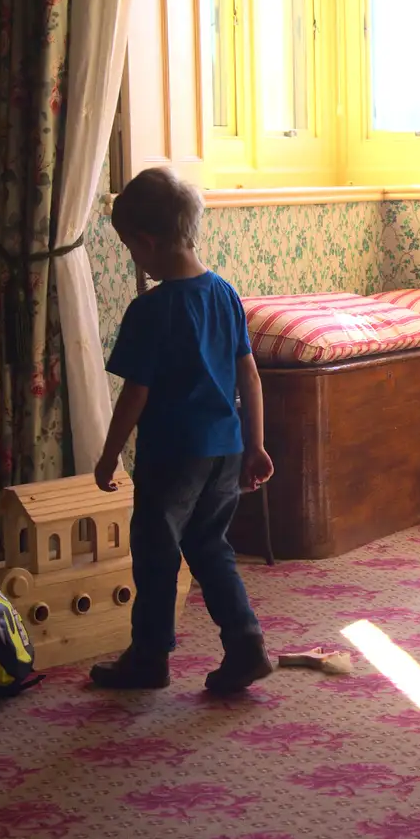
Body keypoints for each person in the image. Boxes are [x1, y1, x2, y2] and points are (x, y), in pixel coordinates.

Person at [89, 166, 274, 696]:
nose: (131, 256)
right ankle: (245, 644)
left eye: (128, 246)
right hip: (225, 448)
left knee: (155, 554)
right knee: (210, 546)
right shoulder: (225, 293)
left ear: (145, 243)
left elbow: (136, 394)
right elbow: (248, 374)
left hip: (172, 455)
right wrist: (255, 444)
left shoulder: (151, 309)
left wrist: (108, 458)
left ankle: (149, 658)